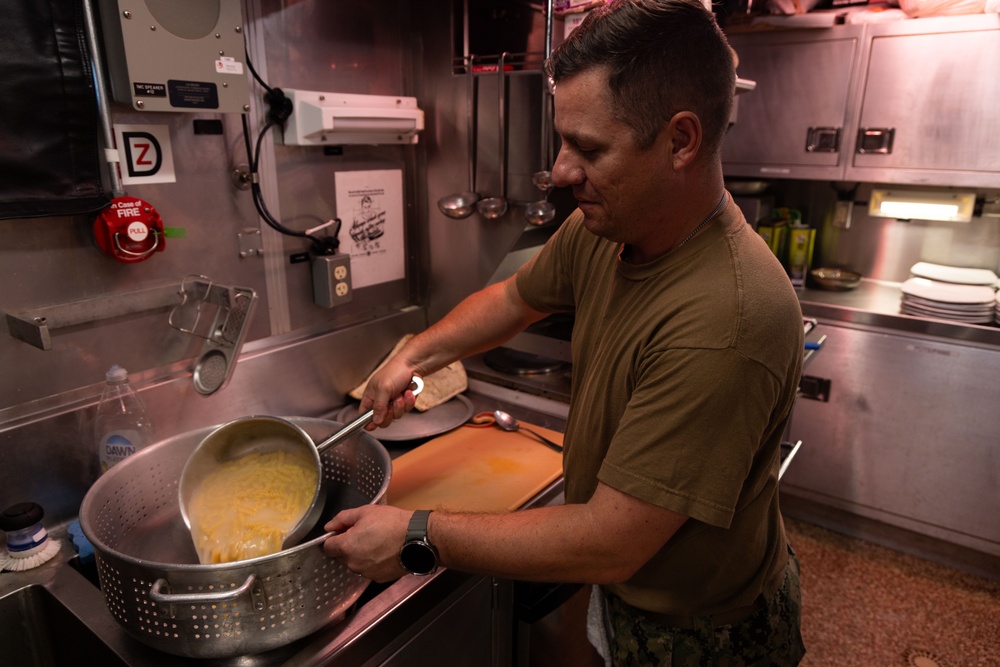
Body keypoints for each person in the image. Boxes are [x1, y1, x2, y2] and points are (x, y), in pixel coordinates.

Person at [323, 0, 806, 663]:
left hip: (703, 632)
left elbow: (612, 540)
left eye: (589, 147)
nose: (561, 170)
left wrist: (416, 531)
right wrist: (413, 355)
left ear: (681, 140)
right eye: (563, 139)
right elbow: (516, 297)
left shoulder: (727, 316)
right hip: (629, 590)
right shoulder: (605, 228)